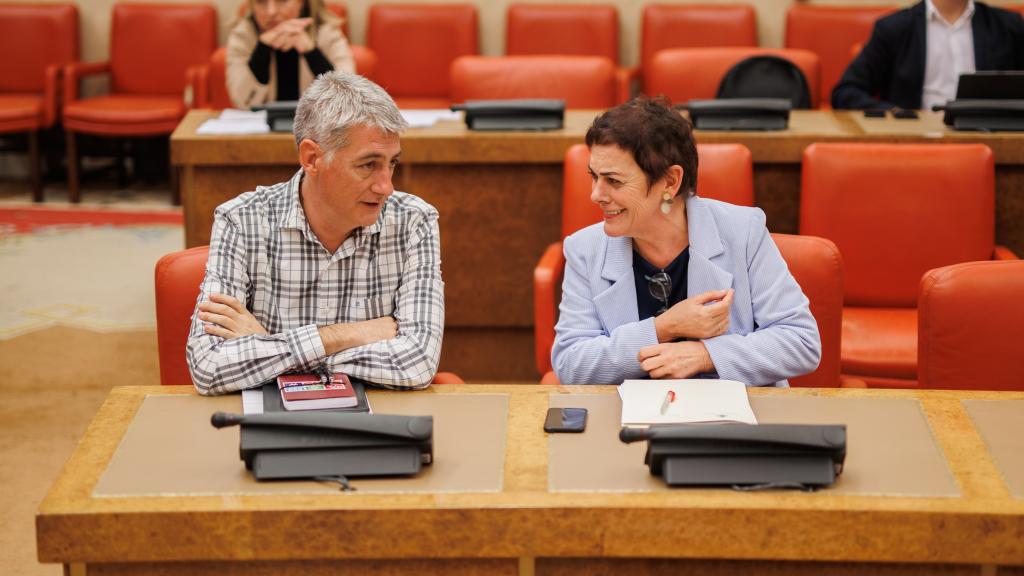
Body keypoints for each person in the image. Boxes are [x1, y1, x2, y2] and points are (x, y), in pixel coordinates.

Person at [187, 72, 444, 396]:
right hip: (269, 427)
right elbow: (208, 367)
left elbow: (418, 363)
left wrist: (266, 343)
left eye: (391, 163)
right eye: (368, 165)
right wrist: (345, 336)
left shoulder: (414, 222)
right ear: (312, 158)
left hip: (377, 425)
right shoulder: (240, 220)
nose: (386, 186)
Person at [551, 97, 820, 386]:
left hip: (731, 417)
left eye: (613, 181)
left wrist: (706, 355)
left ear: (670, 182)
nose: (596, 195)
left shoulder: (744, 232)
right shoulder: (584, 249)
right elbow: (570, 363)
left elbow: (801, 342)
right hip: (627, 419)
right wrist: (663, 327)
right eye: (594, 177)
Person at [832, 0, 1024, 110]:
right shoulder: (893, 28)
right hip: (916, 143)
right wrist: (894, 113)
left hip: (988, 137)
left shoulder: (1009, 26)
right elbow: (846, 92)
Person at [226, 0, 355, 110]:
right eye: (261, 1)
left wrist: (312, 52)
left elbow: (347, 97)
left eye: (282, 0)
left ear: (302, 2)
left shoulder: (327, 33)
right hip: (261, 135)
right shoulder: (243, 35)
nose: (271, 12)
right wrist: (262, 49)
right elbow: (242, 102)